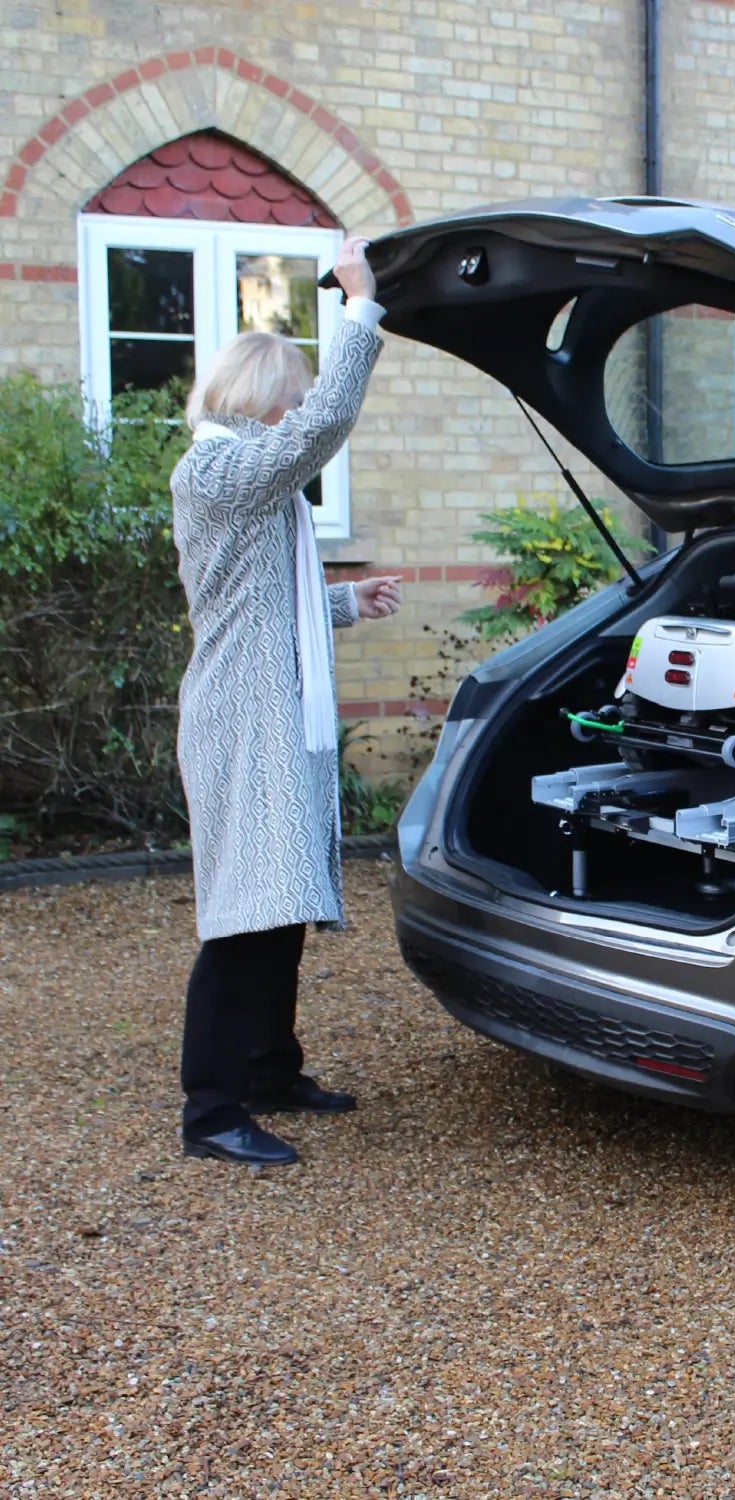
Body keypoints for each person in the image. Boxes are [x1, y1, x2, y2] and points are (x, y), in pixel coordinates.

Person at [171, 236, 402, 1167]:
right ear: (264, 399)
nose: (299, 409)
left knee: (278, 905)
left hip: (270, 705)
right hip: (242, 717)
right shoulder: (221, 471)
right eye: (292, 396)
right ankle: (211, 1110)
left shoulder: (248, 482)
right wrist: (359, 308)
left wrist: (347, 600)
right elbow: (324, 430)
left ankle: (270, 1070)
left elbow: (260, 601)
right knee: (243, 916)